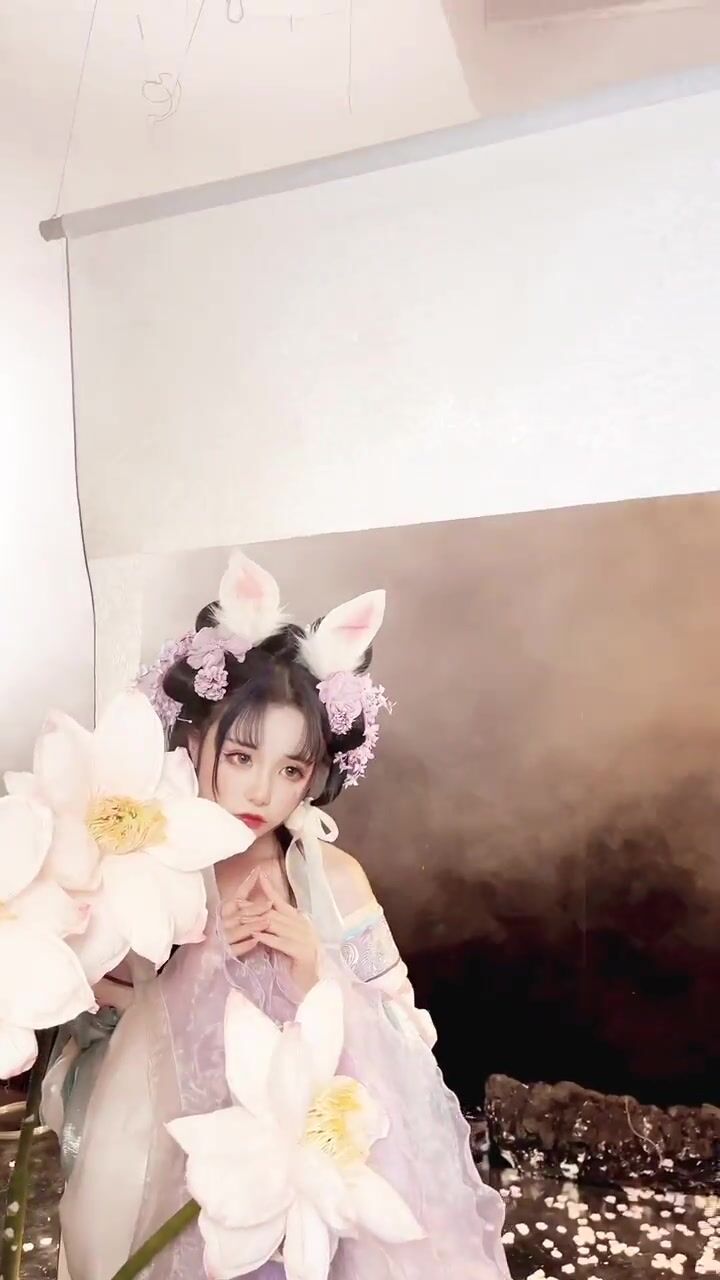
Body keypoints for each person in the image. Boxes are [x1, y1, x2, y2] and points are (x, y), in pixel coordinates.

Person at [45, 551, 509, 1280]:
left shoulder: (333, 881)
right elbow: (85, 1000)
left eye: (291, 769)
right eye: (240, 757)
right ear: (194, 743)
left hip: (309, 1183)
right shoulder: (155, 868)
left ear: (315, 777)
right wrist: (189, 980)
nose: (262, 790)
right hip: (162, 1158)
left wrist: (318, 972)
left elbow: (408, 1034)